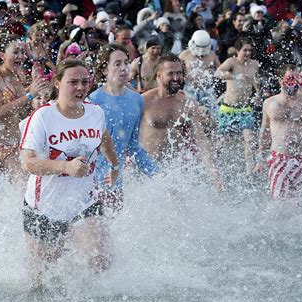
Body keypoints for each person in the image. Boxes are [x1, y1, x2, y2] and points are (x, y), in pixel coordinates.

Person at [20, 60, 119, 287]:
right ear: (58, 83)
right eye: (73, 82)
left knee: (100, 260)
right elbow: (28, 163)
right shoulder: (43, 116)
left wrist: (114, 165)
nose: (80, 87)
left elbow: (104, 138)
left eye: (85, 82)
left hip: (83, 201)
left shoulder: (95, 112)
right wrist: (66, 167)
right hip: (44, 206)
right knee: (42, 280)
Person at [0, 33, 48, 214]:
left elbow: (21, 110)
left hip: (12, 147)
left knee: (28, 199)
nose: (21, 56)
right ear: (2, 55)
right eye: (16, 52)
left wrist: (40, 94)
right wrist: (30, 95)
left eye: (22, 51)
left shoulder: (17, 78)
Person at [139, 53, 222, 190]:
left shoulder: (188, 103)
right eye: (171, 73)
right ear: (159, 76)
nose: (176, 78)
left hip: (176, 172)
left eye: (179, 73)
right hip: (148, 170)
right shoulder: (144, 101)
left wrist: (213, 170)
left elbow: (200, 139)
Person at [90, 43, 157, 210]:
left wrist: (157, 175)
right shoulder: (93, 101)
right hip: (91, 180)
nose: (123, 68)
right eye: (117, 64)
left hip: (115, 182)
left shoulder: (136, 100)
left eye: (126, 63)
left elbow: (133, 146)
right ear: (105, 70)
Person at [256, 70, 302, 199]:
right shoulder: (269, 103)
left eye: (296, 80)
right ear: (280, 80)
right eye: (289, 79)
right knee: (279, 202)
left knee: (301, 203)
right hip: (278, 159)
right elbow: (264, 132)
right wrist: (259, 159)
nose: (293, 84)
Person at [214, 38, 260, 176]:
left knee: (249, 140)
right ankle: (214, 168)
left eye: (250, 50)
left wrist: (258, 94)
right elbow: (217, 73)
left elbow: (254, 81)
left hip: (245, 108)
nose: (247, 53)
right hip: (228, 108)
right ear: (238, 51)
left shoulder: (255, 64)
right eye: (245, 50)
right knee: (223, 142)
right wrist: (235, 76)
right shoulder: (231, 62)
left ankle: (249, 173)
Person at [179, 30, 220, 113]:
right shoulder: (185, 55)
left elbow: (220, 70)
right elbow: (175, 69)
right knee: (189, 114)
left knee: (212, 115)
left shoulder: (212, 55)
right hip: (190, 89)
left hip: (208, 90)